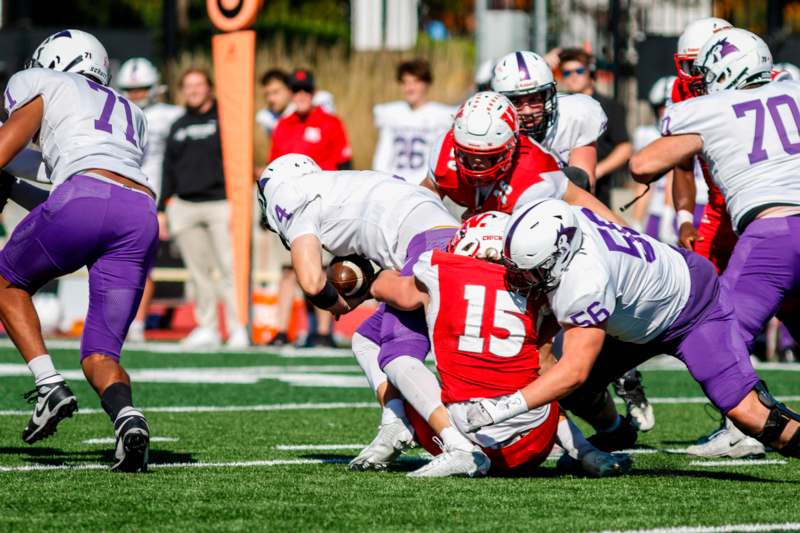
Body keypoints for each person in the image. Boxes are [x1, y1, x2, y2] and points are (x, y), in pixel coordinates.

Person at [468, 198, 800, 460]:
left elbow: (574, 372)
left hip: (692, 311)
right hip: (636, 314)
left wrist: (503, 407)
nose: (524, 279)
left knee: (751, 415)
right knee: (569, 386)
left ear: (560, 255)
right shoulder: (568, 221)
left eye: (533, 271)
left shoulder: (584, 281)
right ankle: (615, 433)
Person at [629, 27, 800, 457]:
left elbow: (644, 163)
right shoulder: (793, 89)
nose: (699, 78)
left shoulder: (709, 108)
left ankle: (750, 426)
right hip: (770, 221)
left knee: (718, 333)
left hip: (771, 235)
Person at [258, 154, 487, 474]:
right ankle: (395, 423)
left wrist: (337, 304)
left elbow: (311, 281)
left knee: (396, 353)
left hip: (428, 246)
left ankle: (459, 445)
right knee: (368, 340)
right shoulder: (344, 184)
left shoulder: (290, 192)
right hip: (446, 236)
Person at [0, 29, 157, 471]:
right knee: (100, 353)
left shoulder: (44, 84)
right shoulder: (131, 111)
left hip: (86, 200)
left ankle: (48, 383)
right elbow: (87, 190)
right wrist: (12, 187)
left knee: (6, 282)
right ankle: (127, 417)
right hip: (140, 213)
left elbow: (9, 153)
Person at [370, 211, 630, 478]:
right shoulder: (538, 290)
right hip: (534, 443)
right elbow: (543, 364)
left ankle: (454, 446)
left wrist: (377, 274)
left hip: (468, 431)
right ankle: (585, 451)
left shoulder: (438, 269)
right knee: (537, 382)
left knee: (410, 380)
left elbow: (388, 290)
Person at [423, 91, 621, 224]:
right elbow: (425, 198)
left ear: (512, 145)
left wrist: (630, 235)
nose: (477, 163)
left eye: (489, 156)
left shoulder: (535, 173)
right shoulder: (444, 148)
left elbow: (582, 200)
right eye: (468, 153)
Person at [160, 67, 248, 349]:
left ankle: (237, 328)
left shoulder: (225, 120)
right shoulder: (178, 125)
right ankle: (207, 326)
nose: (194, 90)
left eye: (198, 85)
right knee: (198, 273)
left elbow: (240, 158)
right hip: (185, 206)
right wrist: (162, 208)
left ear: (210, 87)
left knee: (228, 269)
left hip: (220, 204)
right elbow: (168, 169)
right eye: (188, 86)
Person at [267, 69, 353, 347]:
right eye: (296, 90)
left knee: (324, 268)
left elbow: (344, 166)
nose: (301, 95)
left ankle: (324, 331)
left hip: (324, 205)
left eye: (305, 90)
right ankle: (281, 330)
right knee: (287, 270)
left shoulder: (330, 123)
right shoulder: (284, 124)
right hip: (289, 210)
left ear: (313, 93)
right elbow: (273, 170)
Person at [116, 57, 184, 343]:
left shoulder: (170, 115)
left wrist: (168, 202)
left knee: (143, 263)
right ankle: (119, 320)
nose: (136, 95)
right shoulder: (115, 113)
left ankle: (138, 322)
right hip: (119, 194)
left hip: (153, 196)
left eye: (142, 88)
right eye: (131, 89)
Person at [491, 50, 606, 188]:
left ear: (547, 96)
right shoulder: (490, 126)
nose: (527, 111)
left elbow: (584, 187)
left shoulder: (575, 115)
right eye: (516, 102)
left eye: (534, 99)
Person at [558, 49, 632, 207]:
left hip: (597, 193)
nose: (572, 76)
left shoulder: (610, 106)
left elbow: (624, 147)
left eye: (578, 71)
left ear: (590, 73)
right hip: (561, 192)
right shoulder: (558, 107)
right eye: (566, 72)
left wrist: (596, 171)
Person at [372, 59, 455, 184]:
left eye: (416, 82)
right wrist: (381, 180)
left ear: (426, 83)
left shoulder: (440, 115)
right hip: (395, 184)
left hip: (425, 186)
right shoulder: (391, 114)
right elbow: (383, 153)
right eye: (405, 82)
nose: (410, 88)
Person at [256, 68, 335, 137]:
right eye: (267, 94)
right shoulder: (264, 117)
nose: (270, 99)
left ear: (289, 90)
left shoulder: (311, 107)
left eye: (276, 92)